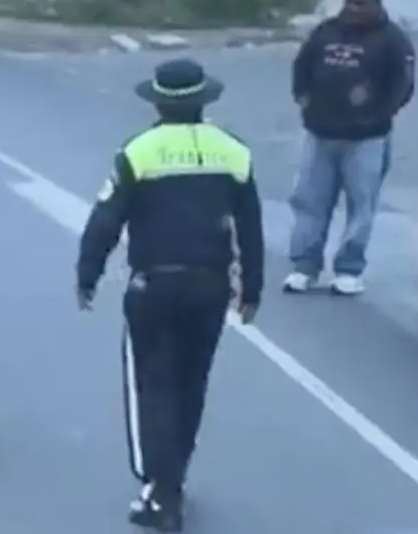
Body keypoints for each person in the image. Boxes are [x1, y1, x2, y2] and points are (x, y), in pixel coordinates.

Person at [75, 58, 264, 533]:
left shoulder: (139, 152)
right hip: (210, 288)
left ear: (157, 103)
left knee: (151, 387)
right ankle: (174, 478)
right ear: (204, 102)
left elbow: (105, 220)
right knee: (190, 385)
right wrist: (252, 289)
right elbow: (253, 229)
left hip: (154, 287)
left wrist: (87, 274)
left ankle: (160, 491)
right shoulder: (234, 152)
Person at [283, 0, 415, 296]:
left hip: (367, 139)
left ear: (375, 2)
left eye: (361, 3)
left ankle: (348, 269)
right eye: (349, 1)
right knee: (310, 202)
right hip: (320, 134)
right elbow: (302, 66)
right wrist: (303, 97)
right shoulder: (325, 32)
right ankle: (305, 267)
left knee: (361, 205)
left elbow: (404, 84)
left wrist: (379, 112)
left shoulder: (392, 40)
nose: (353, 9)